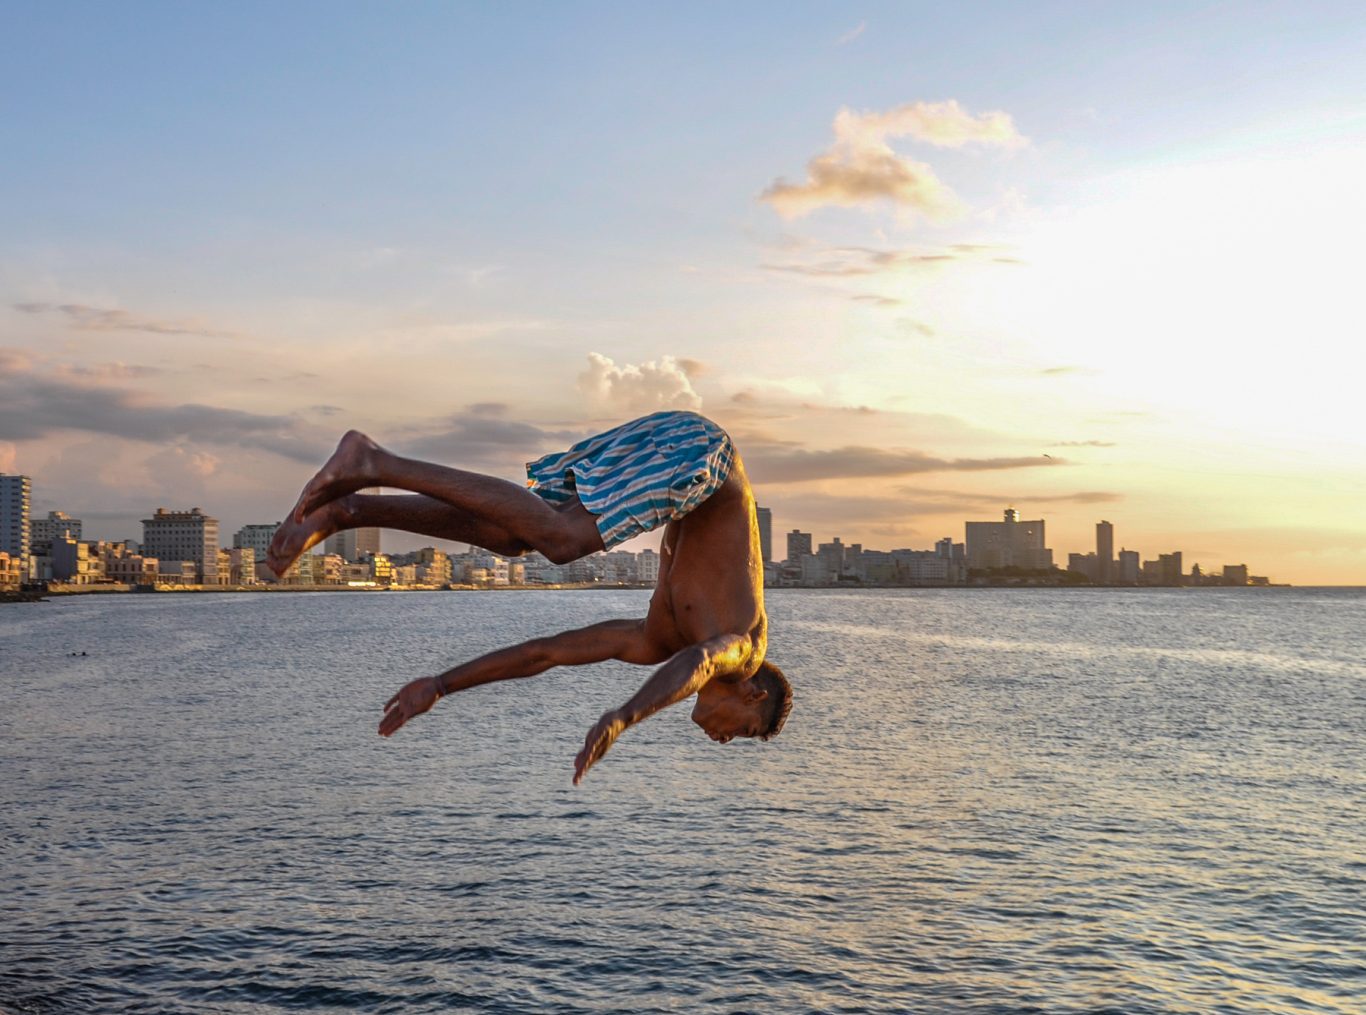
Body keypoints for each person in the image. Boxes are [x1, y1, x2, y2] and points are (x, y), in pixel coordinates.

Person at [267, 410, 792, 784]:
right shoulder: (744, 650)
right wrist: (623, 718)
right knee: (563, 541)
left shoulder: (657, 640)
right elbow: (702, 662)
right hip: (702, 452)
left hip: (684, 446)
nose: (724, 742)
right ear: (753, 695)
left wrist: (443, 685)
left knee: (515, 536)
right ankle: (373, 461)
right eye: (742, 734)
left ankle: (348, 510)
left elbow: (543, 654)